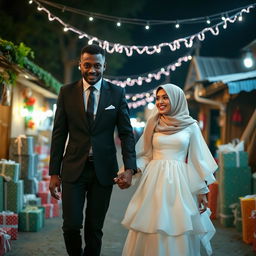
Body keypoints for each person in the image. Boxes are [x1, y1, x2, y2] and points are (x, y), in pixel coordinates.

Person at [48, 44, 137, 256]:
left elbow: (126, 133)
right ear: (80, 65)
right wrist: (54, 172)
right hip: (72, 170)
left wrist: (130, 168)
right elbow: (59, 134)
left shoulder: (116, 93)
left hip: (103, 171)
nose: (92, 70)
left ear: (104, 66)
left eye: (97, 65)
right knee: (71, 225)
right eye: (87, 65)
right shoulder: (66, 92)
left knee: (94, 229)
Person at [116, 83, 218, 256]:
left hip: (180, 185)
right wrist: (130, 171)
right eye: (157, 98)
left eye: (165, 97)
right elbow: (145, 155)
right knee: (151, 223)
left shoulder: (191, 126)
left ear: (176, 99)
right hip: (153, 182)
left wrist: (202, 191)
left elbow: (197, 160)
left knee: (177, 224)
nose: (160, 102)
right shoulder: (153, 122)